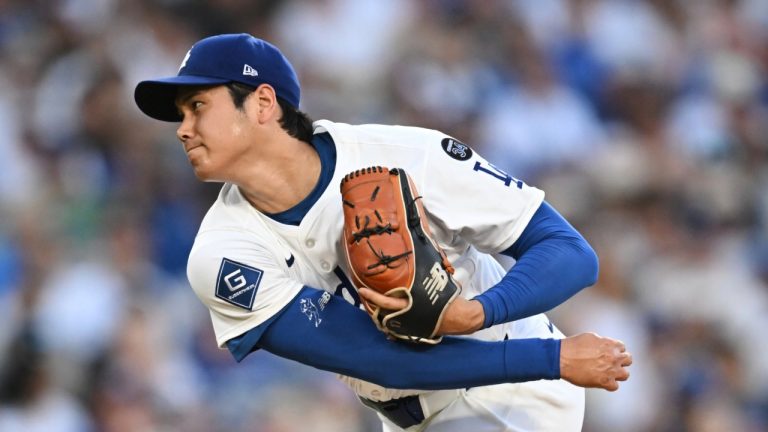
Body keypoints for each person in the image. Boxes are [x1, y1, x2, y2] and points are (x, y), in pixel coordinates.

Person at [134, 33, 631, 431]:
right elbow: (385, 362)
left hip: (512, 391)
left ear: (263, 103)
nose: (182, 127)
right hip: (414, 408)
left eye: (198, 105)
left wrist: (479, 314)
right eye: (180, 114)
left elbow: (569, 252)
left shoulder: (404, 155)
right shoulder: (221, 255)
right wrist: (555, 357)